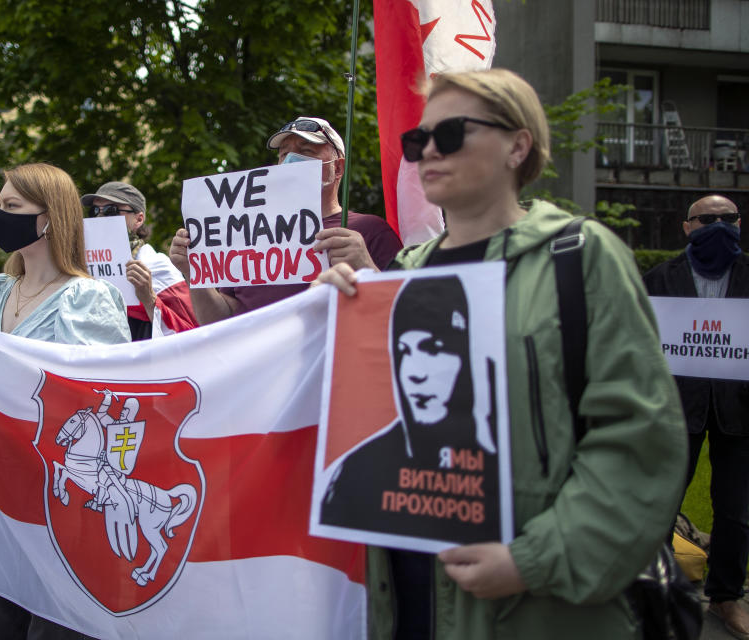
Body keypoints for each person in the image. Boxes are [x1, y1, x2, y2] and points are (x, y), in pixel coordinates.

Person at [315, 69, 688, 639]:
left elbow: (639, 440)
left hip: (539, 605)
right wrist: (330, 324)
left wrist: (533, 560)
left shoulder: (581, 258)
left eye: (454, 132)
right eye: (419, 140)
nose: (428, 151)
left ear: (519, 145)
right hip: (410, 597)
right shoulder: (398, 278)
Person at [0, 162, 128, 639]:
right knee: (0, 621)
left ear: (49, 217)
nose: (0, 215)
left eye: (12, 206)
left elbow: (94, 395)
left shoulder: (86, 297)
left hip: (56, 500)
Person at [169, 115, 403, 324]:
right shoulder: (246, 232)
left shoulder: (368, 231)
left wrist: (367, 267)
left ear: (338, 168)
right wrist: (194, 273)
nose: (291, 160)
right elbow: (219, 321)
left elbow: (404, 314)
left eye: (306, 151)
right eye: (284, 154)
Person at [320, 275, 499, 545]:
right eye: (404, 351)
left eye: (433, 349)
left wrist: (527, 562)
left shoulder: (507, 452)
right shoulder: (356, 470)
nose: (414, 374)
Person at [643, 194, 749, 639]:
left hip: (739, 409)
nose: (719, 225)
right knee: (661, 503)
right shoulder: (658, 279)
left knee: (736, 510)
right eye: (708, 219)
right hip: (674, 406)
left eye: (729, 219)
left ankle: (726, 596)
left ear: (740, 225)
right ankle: (659, 590)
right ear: (688, 227)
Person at [81, 181, 197, 339]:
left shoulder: (156, 265)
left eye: (111, 210)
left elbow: (191, 332)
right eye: (94, 211)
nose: (100, 217)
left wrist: (149, 299)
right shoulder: (83, 264)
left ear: (139, 219)